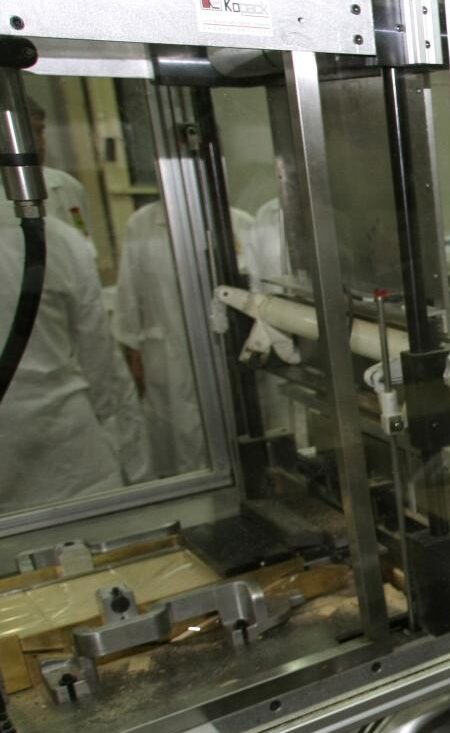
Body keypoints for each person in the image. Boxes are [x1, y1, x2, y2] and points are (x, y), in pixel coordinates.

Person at [0, 215, 149, 511]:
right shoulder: (56, 237)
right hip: (69, 458)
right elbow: (98, 359)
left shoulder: (53, 237)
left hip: (66, 460)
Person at [115, 200, 258, 477]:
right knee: (179, 444)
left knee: (235, 440)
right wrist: (133, 351)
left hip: (231, 356)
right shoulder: (141, 224)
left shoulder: (242, 223)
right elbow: (129, 297)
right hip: (168, 357)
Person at [27, 97, 95, 245]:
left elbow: (84, 241)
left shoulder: (66, 185)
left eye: (39, 132)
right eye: (26, 134)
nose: (38, 144)